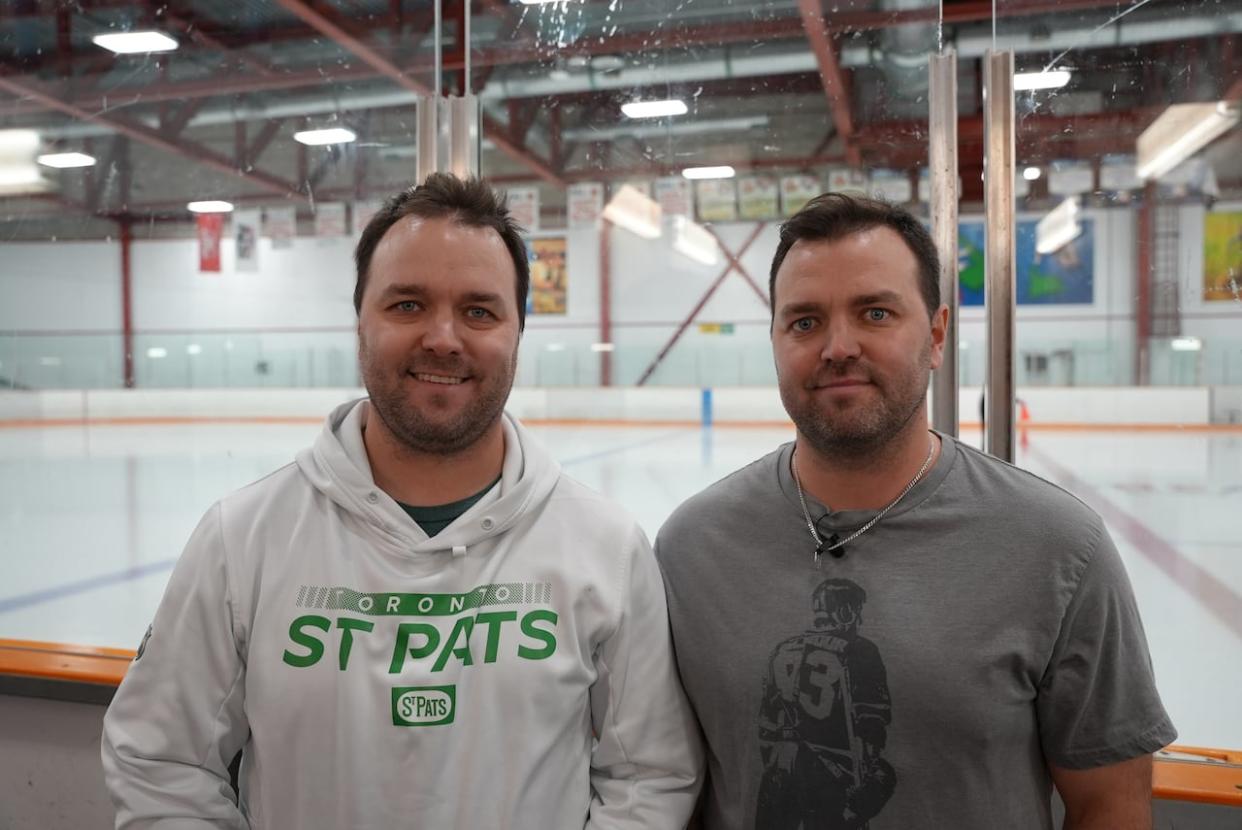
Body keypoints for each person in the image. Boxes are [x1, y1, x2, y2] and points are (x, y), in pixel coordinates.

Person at [102, 174, 703, 829]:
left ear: (517, 333)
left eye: (479, 310)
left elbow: (649, 777)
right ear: (360, 321)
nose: (443, 337)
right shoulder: (241, 540)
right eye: (407, 304)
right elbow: (160, 764)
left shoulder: (606, 548)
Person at [655, 192, 1175, 830]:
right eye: (804, 322)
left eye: (875, 313)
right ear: (775, 342)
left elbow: (1110, 807)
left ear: (934, 335)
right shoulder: (690, 548)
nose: (837, 346)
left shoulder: (1060, 548)